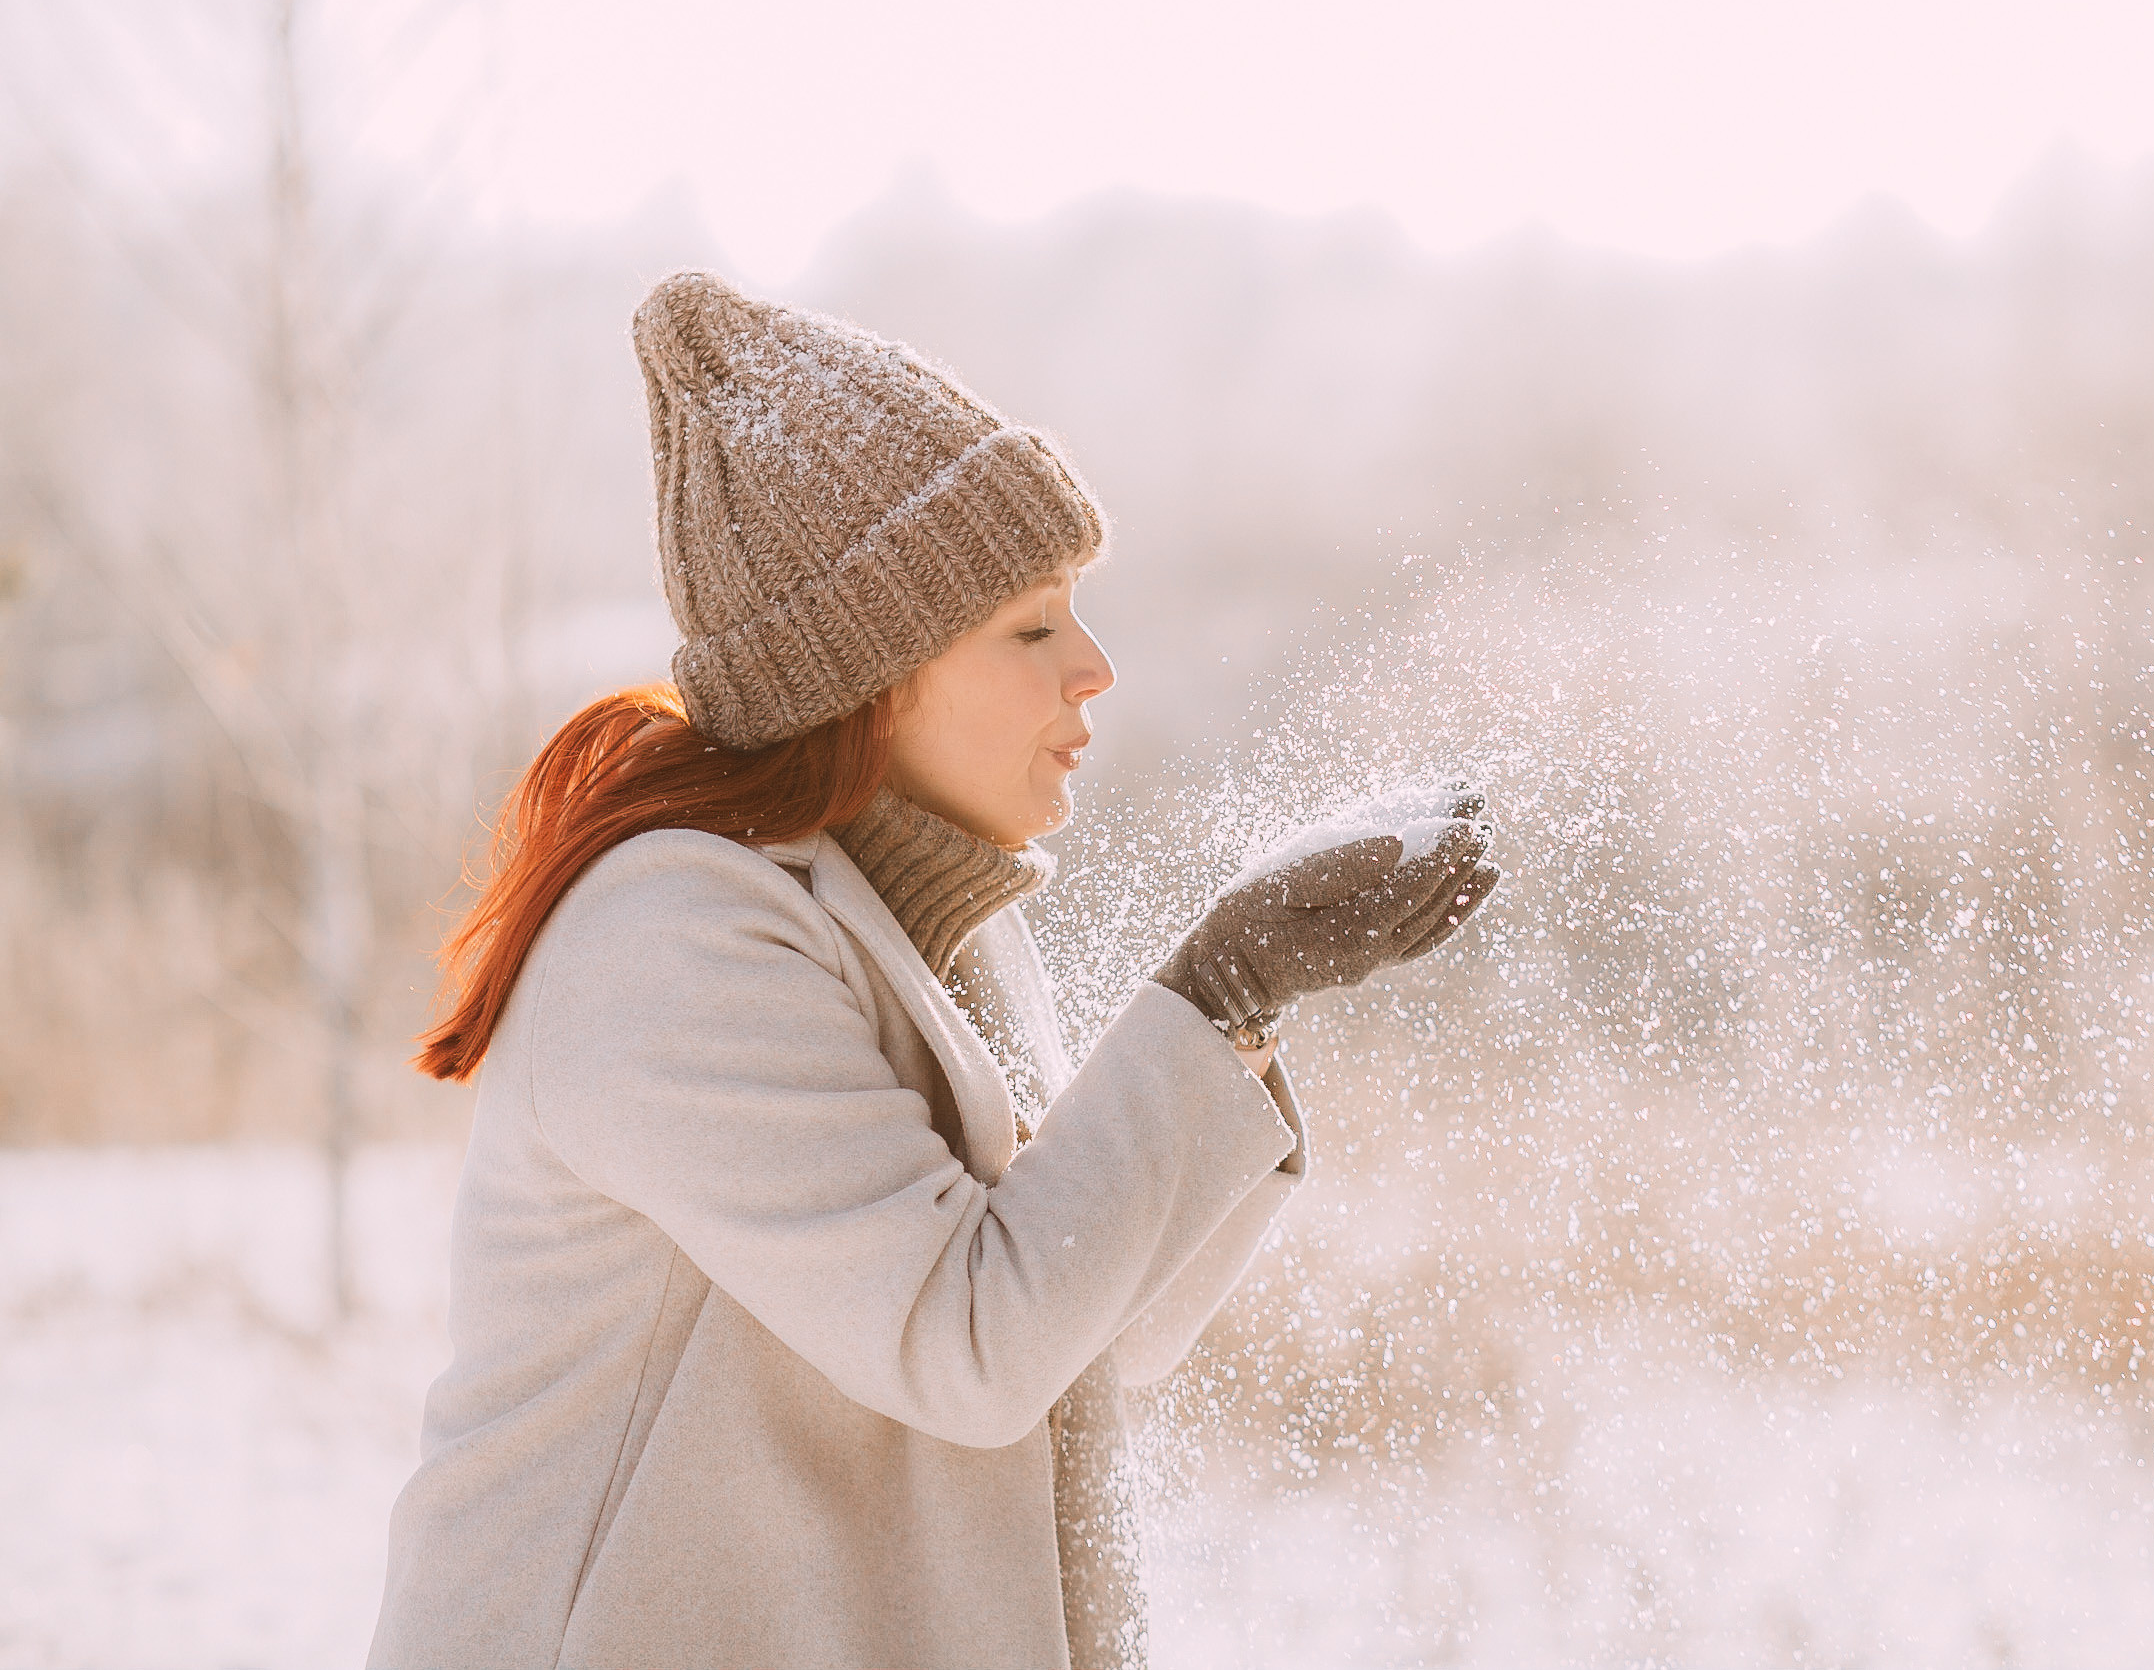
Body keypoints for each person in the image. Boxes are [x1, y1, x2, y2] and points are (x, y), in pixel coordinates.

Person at [367, 271, 1500, 1670]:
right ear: (873, 673)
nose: (1092, 668)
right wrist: (1213, 989)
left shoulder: (944, 930)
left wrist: (1249, 1014)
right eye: (1032, 627)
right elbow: (971, 1348)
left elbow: (1093, 1340)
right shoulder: (671, 939)